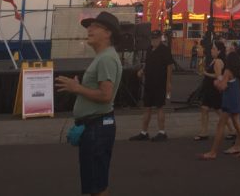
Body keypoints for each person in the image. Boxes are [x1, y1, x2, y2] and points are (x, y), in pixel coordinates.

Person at [55, 11, 123, 196]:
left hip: (97, 129)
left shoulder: (107, 58)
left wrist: (76, 88)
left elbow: (105, 95)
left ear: (108, 33)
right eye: (89, 26)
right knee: (96, 183)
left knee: (97, 187)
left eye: (95, 26)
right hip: (95, 127)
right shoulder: (104, 57)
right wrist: (78, 86)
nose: (89, 29)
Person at [200, 51, 240, 160]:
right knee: (238, 124)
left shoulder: (227, 71)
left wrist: (217, 83)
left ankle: (213, 152)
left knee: (220, 125)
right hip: (236, 98)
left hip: (229, 99)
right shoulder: (238, 71)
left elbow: (222, 87)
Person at [130, 30, 173, 142]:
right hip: (149, 83)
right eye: (152, 39)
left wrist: (168, 83)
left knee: (159, 107)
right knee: (147, 107)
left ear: (160, 38)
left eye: (156, 38)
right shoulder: (149, 49)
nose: (154, 40)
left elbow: (169, 67)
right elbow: (148, 63)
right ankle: (144, 132)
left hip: (160, 83)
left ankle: (161, 132)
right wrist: (142, 70)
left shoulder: (165, 50)